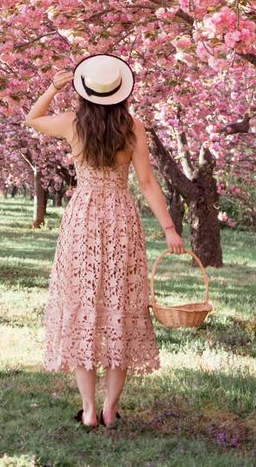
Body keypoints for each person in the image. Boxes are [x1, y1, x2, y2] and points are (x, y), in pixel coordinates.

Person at [24, 53, 185, 430]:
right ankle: (111, 410)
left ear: (84, 90)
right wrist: (169, 229)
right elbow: (147, 183)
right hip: (120, 218)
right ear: (120, 92)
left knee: (83, 307)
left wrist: (52, 87)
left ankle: (89, 410)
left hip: (82, 218)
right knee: (120, 305)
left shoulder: (71, 123)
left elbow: (31, 119)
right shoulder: (133, 127)